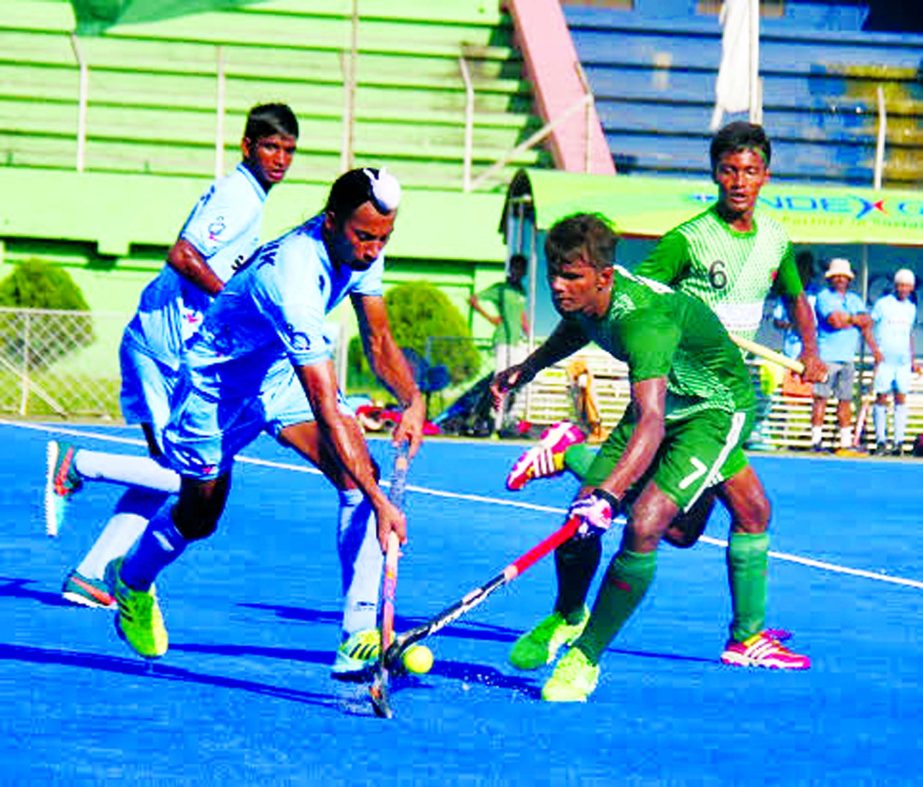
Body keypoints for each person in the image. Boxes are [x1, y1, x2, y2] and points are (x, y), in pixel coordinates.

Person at [101, 167, 426, 679]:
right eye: (364, 237)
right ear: (331, 220)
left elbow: (380, 340)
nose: (372, 250)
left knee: (355, 478)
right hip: (217, 387)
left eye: (383, 239)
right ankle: (131, 580)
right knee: (199, 515)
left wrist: (412, 399)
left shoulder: (361, 247)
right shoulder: (293, 275)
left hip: (276, 372)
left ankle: (358, 637)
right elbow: (324, 400)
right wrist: (383, 501)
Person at [492, 214, 809, 704]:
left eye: (571, 277)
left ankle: (586, 658)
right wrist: (528, 367)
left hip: (712, 412)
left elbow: (651, 423)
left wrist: (609, 495)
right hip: (660, 402)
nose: (558, 286)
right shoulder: (586, 300)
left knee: (649, 524)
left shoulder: (644, 321)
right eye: (554, 273)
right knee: (588, 514)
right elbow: (578, 327)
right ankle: (569, 615)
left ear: (604, 276)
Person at [44, 103, 300, 608]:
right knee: (187, 475)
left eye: (289, 151)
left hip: (170, 351)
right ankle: (81, 465)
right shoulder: (239, 196)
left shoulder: (248, 197)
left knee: (172, 470)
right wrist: (237, 304)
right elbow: (183, 256)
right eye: (270, 147)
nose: (280, 159)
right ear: (247, 146)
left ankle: (92, 576)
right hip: (164, 351)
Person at [506, 122, 824, 491]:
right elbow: (626, 301)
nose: (739, 183)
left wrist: (811, 352)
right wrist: (533, 365)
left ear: (765, 177)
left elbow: (796, 298)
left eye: (750, 172)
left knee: (722, 519)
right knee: (688, 515)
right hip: (677, 383)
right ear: (714, 174)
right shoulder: (686, 241)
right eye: (728, 171)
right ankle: (573, 456)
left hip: (723, 389)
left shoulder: (775, 239)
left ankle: (570, 455)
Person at [811, 257, 880, 454]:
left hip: (847, 357)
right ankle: (816, 440)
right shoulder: (824, 296)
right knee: (820, 398)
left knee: (846, 401)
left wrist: (874, 348)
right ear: (830, 279)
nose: (840, 279)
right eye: (836, 276)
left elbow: (867, 322)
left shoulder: (855, 299)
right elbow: (834, 321)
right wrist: (854, 319)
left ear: (849, 279)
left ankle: (846, 441)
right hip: (827, 356)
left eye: (844, 276)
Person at [468, 252, 529, 428]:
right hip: (504, 337)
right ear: (511, 269)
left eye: (522, 269)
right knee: (501, 377)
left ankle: (510, 416)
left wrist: (527, 330)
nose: (519, 272)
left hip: (517, 339)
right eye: (516, 268)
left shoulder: (521, 290)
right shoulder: (501, 289)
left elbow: (521, 313)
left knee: (520, 377)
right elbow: (473, 299)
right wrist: (491, 318)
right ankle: (494, 418)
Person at [870, 268, 920, 455]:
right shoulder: (883, 304)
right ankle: (881, 440)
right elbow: (869, 325)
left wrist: (913, 359)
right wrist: (875, 351)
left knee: (901, 398)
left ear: (912, 287)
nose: (904, 289)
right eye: (901, 285)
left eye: (907, 286)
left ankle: (899, 441)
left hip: (903, 361)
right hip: (885, 359)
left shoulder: (911, 308)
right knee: (881, 397)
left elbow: (909, 335)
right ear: (895, 286)